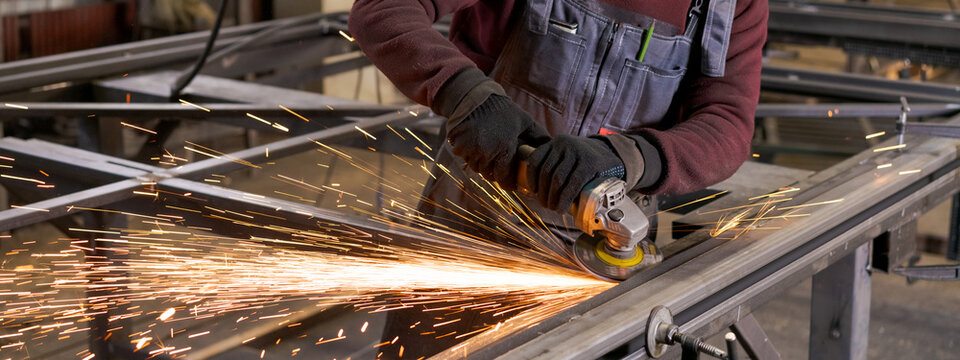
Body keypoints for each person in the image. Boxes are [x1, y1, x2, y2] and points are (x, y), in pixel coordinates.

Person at [349, 0, 767, 357]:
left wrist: (627, 157)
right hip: (469, 227)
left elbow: (725, 124)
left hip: (605, 261)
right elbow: (382, 10)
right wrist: (466, 95)